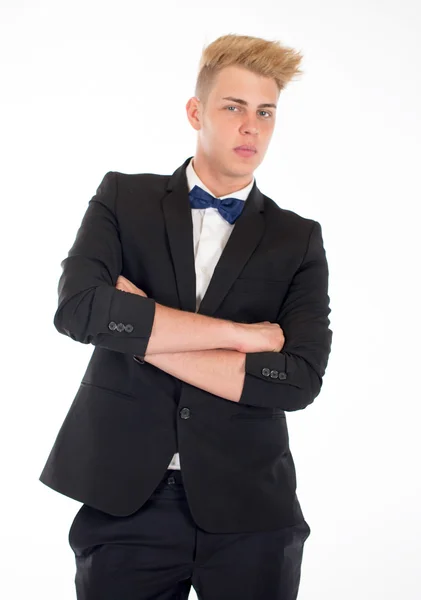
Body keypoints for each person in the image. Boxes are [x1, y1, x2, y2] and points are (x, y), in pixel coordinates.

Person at [39, 33, 333, 600]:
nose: (251, 127)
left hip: (252, 508)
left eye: (265, 112)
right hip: (124, 501)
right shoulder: (123, 199)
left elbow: (298, 380)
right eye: (234, 107)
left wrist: (139, 326)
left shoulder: (298, 239)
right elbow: (78, 310)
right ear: (196, 111)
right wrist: (240, 337)